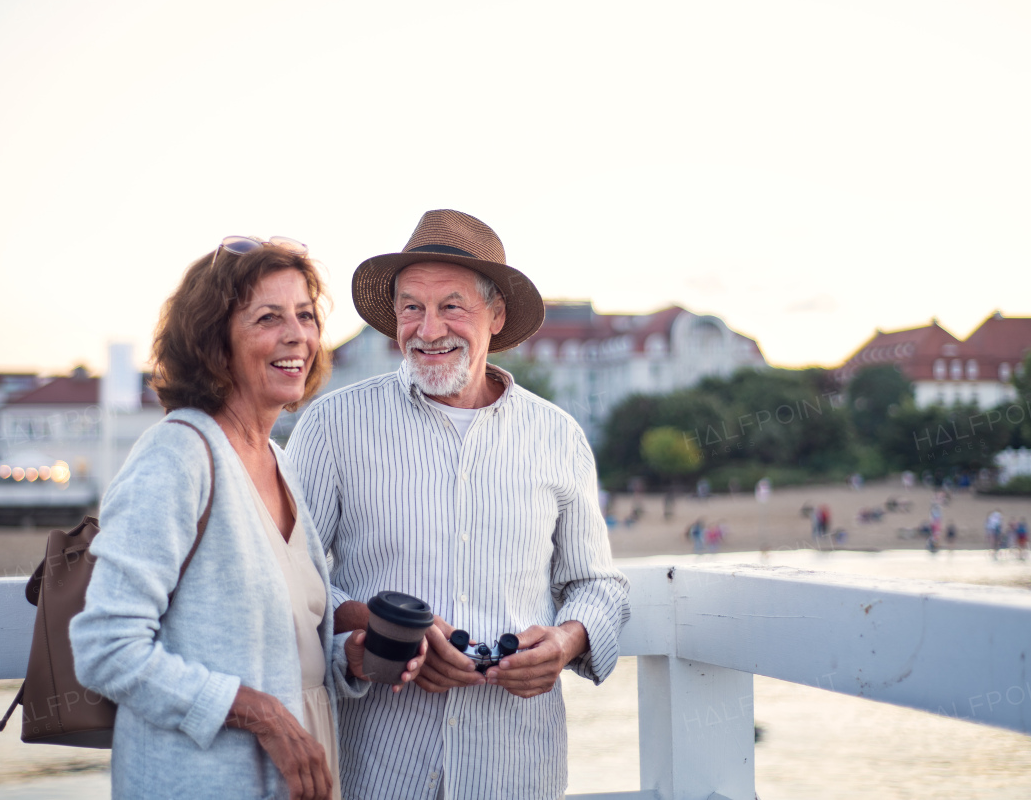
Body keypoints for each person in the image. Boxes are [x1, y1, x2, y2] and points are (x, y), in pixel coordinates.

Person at [286, 209, 630, 800]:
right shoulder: (330, 427)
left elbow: (599, 585)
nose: (428, 328)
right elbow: (292, 584)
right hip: (379, 767)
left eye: (452, 306)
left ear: (496, 316)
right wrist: (389, 635)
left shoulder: (559, 436)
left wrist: (567, 642)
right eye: (411, 307)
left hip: (518, 767)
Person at [71, 238, 416, 800]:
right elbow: (106, 647)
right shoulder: (176, 457)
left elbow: (278, 640)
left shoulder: (278, 460)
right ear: (214, 342)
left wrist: (346, 656)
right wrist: (260, 713)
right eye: (268, 318)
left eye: (305, 316)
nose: (297, 336)